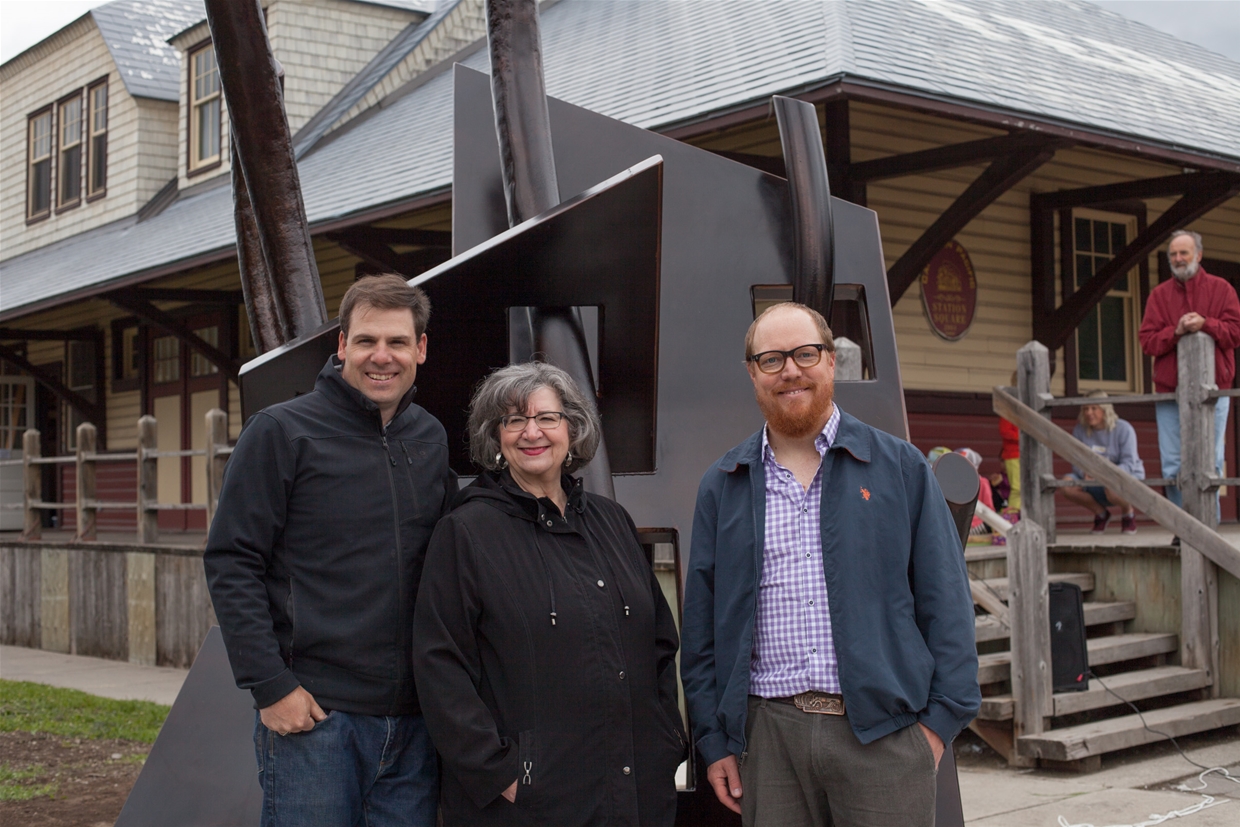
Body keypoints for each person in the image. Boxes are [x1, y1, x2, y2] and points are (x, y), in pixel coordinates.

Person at [680, 302, 979, 827]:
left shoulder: (900, 468)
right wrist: (712, 738)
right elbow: (703, 628)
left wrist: (936, 727)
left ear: (831, 361)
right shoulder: (723, 484)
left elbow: (946, 603)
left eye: (804, 354)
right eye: (771, 359)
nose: (790, 370)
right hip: (767, 740)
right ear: (752, 373)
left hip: (883, 736)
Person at [204, 274, 456, 827]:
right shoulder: (281, 432)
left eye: (396, 341)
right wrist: (271, 686)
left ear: (421, 348)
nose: (380, 356)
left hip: (414, 726)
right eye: (366, 341)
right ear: (341, 345)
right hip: (316, 720)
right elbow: (231, 561)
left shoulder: (430, 438)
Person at [412, 362, 685, 826]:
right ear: (495, 437)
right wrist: (502, 774)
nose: (531, 432)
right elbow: (441, 666)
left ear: (573, 428)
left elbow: (658, 642)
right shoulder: (466, 532)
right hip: (530, 804)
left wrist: (665, 741)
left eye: (546, 418)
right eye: (514, 420)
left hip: (635, 793)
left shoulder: (611, 521)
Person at [1139, 230, 1240, 512]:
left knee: (1211, 461)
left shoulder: (1222, 290)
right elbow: (1147, 341)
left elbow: (1236, 333)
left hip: (1214, 390)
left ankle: (1208, 527)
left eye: (1184, 253)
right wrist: (1176, 331)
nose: (1178, 259)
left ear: (1198, 255)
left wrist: (1206, 323)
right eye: (1173, 254)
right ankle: (1183, 527)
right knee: (1173, 463)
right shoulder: (1159, 296)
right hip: (1170, 391)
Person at [1059, 392, 1145, 534]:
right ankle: (1101, 514)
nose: (1089, 413)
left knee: (1111, 487)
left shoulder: (1124, 429)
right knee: (1066, 484)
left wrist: (1106, 475)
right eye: (1085, 409)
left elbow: (1129, 464)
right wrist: (1083, 472)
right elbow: (1076, 461)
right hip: (1093, 479)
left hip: (1123, 478)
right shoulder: (1079, 430)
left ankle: (1127, 512)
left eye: (1094, 408)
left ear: (1105, 409)